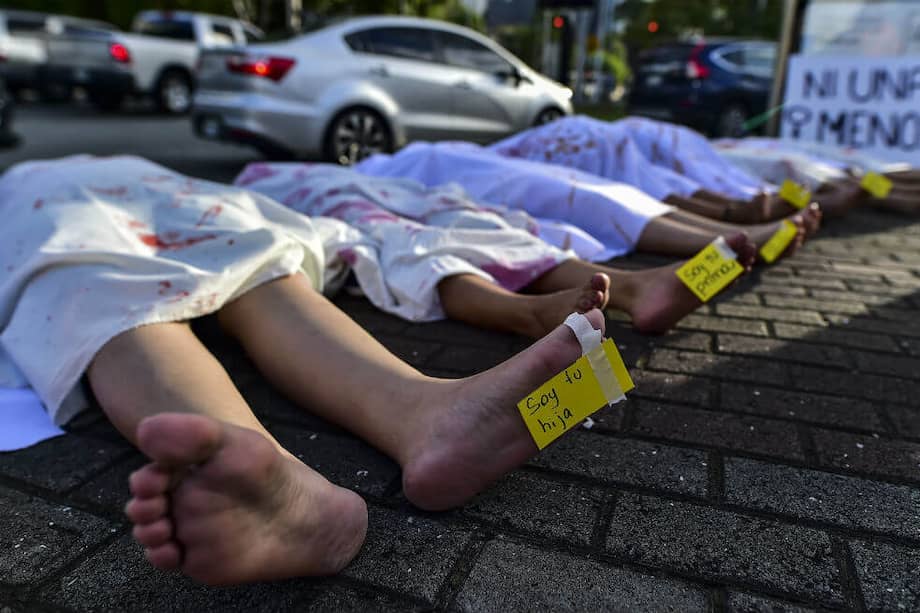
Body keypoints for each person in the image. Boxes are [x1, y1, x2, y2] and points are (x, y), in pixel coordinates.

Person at [0, 155, 622, 586]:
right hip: (136, 196)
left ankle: (405, 431)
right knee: (252, 270)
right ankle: (405, 421)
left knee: (110, 290)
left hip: (81, 205)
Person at [236, 161, 757, 337]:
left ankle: (635, 287)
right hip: (333, 200)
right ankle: (523, 313)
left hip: (379, 187)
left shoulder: (375, 164)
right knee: (395, 239)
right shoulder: (255, 179)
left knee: (468, 219)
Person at [354, 137, 822, 261]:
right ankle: (729, 230)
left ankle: (729, 222)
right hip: (438, 167)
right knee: (574, 191)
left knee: (602, 181)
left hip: (464, 158)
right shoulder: (387, 169)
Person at [489, 115, 867, 222]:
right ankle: (736, 212)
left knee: (656, 175)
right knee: (645, 177)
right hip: (593, 137)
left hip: (606, 135)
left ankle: (738, 211)